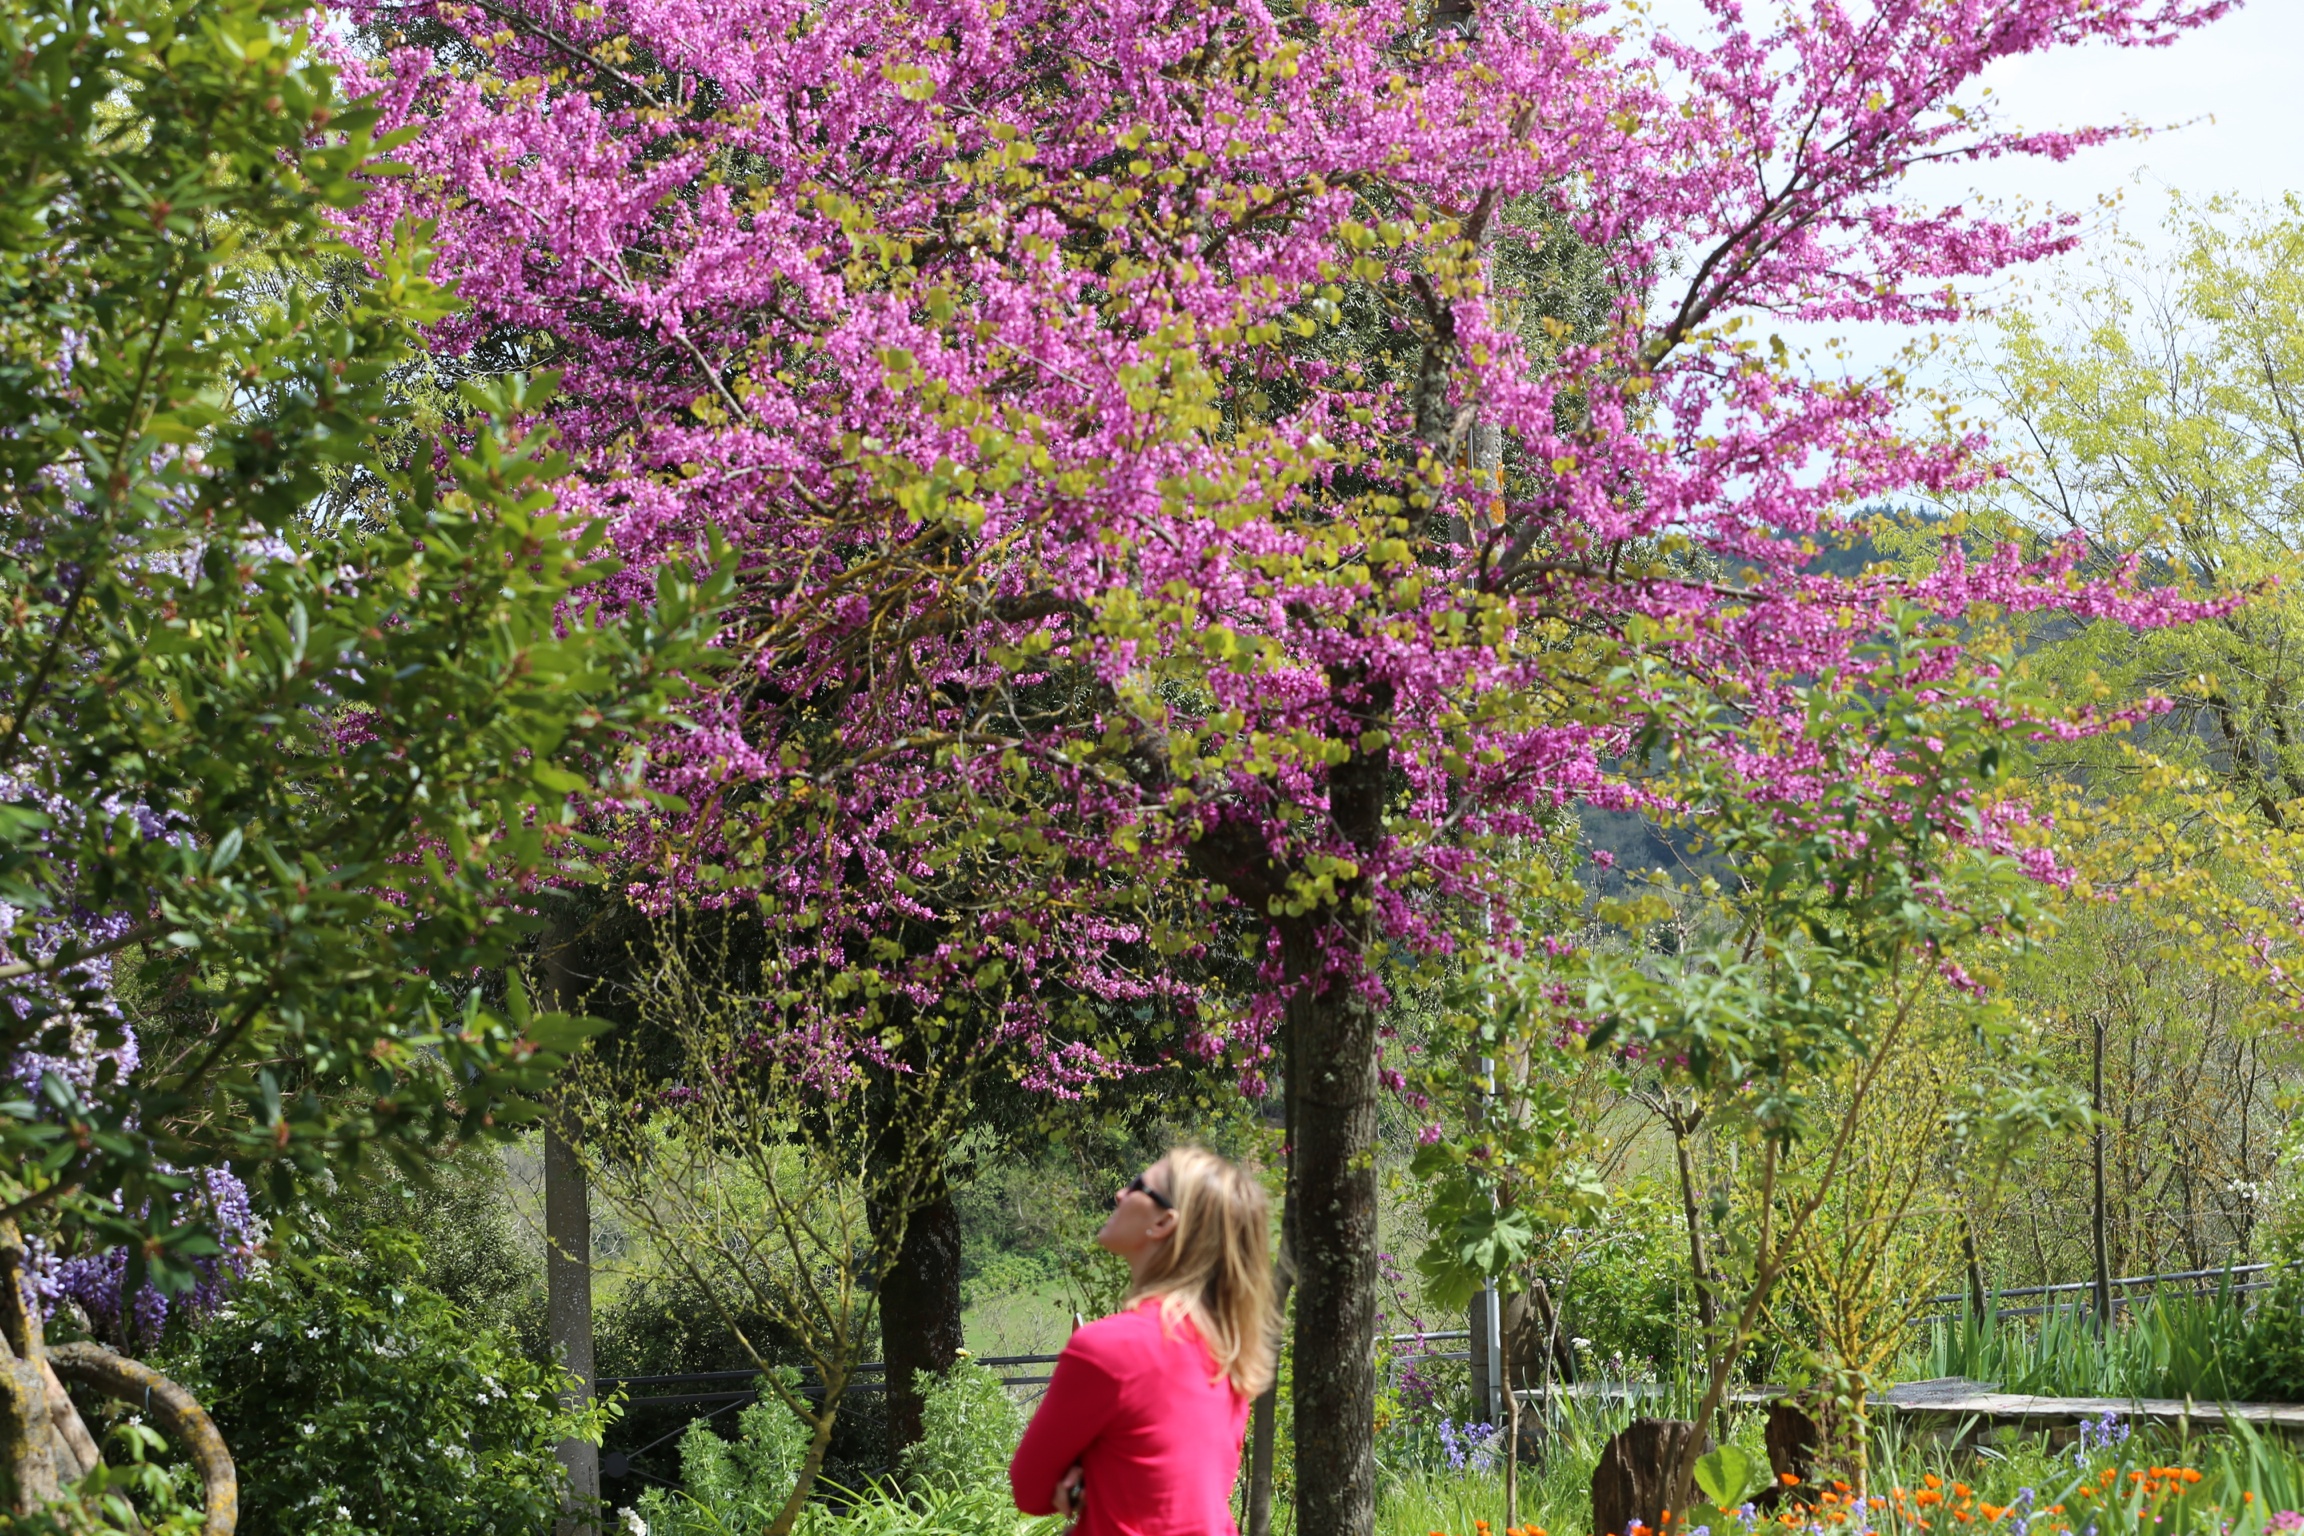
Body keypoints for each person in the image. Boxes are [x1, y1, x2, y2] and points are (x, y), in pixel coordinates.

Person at [1009, 1147, 1276, 1536]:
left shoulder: (1106, 1349)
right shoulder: (1228, 1355)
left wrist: (1083, 1473)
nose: (1120, 1193)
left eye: (1138, 1186)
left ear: (1164, 1222)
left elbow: (1030, 1491)